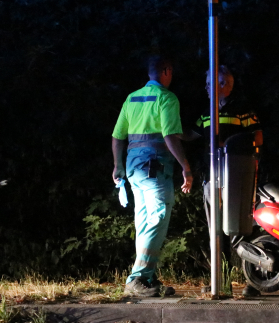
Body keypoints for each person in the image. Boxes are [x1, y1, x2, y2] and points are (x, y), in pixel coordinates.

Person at [112, 56, 193, 297]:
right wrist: (186, 166)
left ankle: (146, 277)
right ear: (166, 71)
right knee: (156, 218)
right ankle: (137, 278)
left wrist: (117, 166)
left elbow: (118, 136)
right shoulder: (167, 98)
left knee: (145, 221)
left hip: (133, 168)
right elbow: (169, 135)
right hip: (155, 168)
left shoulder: (132, 97)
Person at [182, 65, 262, 296]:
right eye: (206, 84)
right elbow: (191, 135)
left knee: (241, 229)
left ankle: (253, 281)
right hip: (212, 178)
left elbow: (257, 137)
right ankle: (221, 281)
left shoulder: (242, 110)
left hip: (237, 177)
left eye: (210, 84)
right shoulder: (207, 112)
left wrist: (232, 147)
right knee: (215, 230)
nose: (207, 88)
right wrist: (166, 129)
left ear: (224, 84)